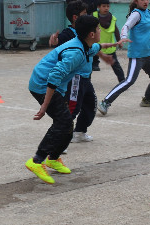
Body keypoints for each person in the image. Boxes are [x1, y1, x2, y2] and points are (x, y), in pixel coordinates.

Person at [27, 15, 127, 184]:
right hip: (42, 84)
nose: (99, 31)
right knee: (63, 122)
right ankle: (36, 161)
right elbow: (53, 77)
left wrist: (113, 45)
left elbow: (97, 47)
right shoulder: (76, 53)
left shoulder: (85, 45)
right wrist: (44, 106)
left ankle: (53, 158)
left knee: (67, 123)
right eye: (97, 29)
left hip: (51, 84)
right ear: (91, 34)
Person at [49, 1, 114, 143]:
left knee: (91, 104)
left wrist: (103, 56)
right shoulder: (69, 34)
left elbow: (93, 48)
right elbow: (59, 42)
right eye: (85, 14)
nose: (88, 16)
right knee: (72, 107)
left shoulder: (87, 34)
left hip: (85, 77)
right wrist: (55, 41)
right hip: (75, 78)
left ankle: (79, 131)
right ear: (75, 18)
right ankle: (60, 138)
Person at [92, 0, 125, 81]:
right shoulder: (93, 16)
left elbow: (116, 31)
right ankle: (85, 81)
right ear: (98, 7)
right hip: (95, 46)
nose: (106, 8)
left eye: (107, 6)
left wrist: (119, 41)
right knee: (87, 64)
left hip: (109, 46)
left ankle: (122, 81)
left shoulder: (112, 18)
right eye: (104, 6)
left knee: (115, 64)